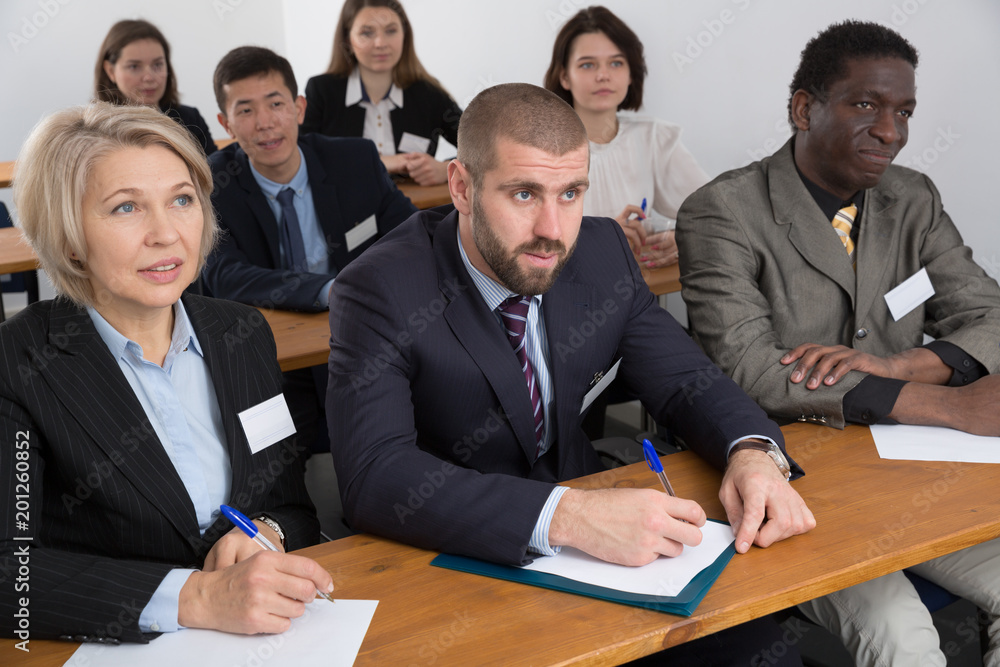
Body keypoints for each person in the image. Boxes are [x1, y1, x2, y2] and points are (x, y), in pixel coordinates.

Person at [328, 82, 814, 665]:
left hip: (605, 545)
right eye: (525, 193)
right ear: (460, 186)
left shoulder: (602, 249)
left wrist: (753, 451)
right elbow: (374, 476)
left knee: (765, 651)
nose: (553, 230)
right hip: (459, 557)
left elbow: (686, 380)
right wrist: (568, 515)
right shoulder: (380, 288)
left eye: (572, 192)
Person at [676, 20, 1000, 666]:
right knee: (902, 635)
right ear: (803, 108)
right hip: (788, 482)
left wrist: (904, 362)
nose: (891, 130)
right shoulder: (722, 211)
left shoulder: (914, 199)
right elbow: (746, 369)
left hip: (909, 478)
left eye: (904, 110)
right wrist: (946, 403)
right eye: (865, 105)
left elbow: (988, 312)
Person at [0, 103, 331, 644]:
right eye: (126, 207)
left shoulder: (241, 333)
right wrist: (194, 597)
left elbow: (290, 503)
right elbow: (8, 571)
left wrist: (267, 533)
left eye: (182, 200)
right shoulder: (16, 362)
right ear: (66, 236)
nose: (166, 234)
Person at [544, 5, 708, 269]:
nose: (603, 75)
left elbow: (716, 214)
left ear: (631, 73)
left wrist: (686, 238)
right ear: (564, 75)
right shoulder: (537, 146)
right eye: (587, 64)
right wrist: (598, 239)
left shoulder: (654, 138)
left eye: (616, 63)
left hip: (637, 293)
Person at [301, 0, 462, 186]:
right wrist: (385, 162)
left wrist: (446, 168)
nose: (380, 43)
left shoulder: (429, 94)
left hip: (415, 211)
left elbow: (485, 147)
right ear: (347, 39)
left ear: (405, 35)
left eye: (391, 31)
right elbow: (300, 156)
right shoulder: (322, 91)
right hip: (341, 212)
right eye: (367, 33)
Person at [95, 19, 217, 156]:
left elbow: (213, 173)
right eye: (134, 66)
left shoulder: (190, 119)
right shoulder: (94, 131)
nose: (149, 77)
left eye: (157, 65)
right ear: (110, 71)